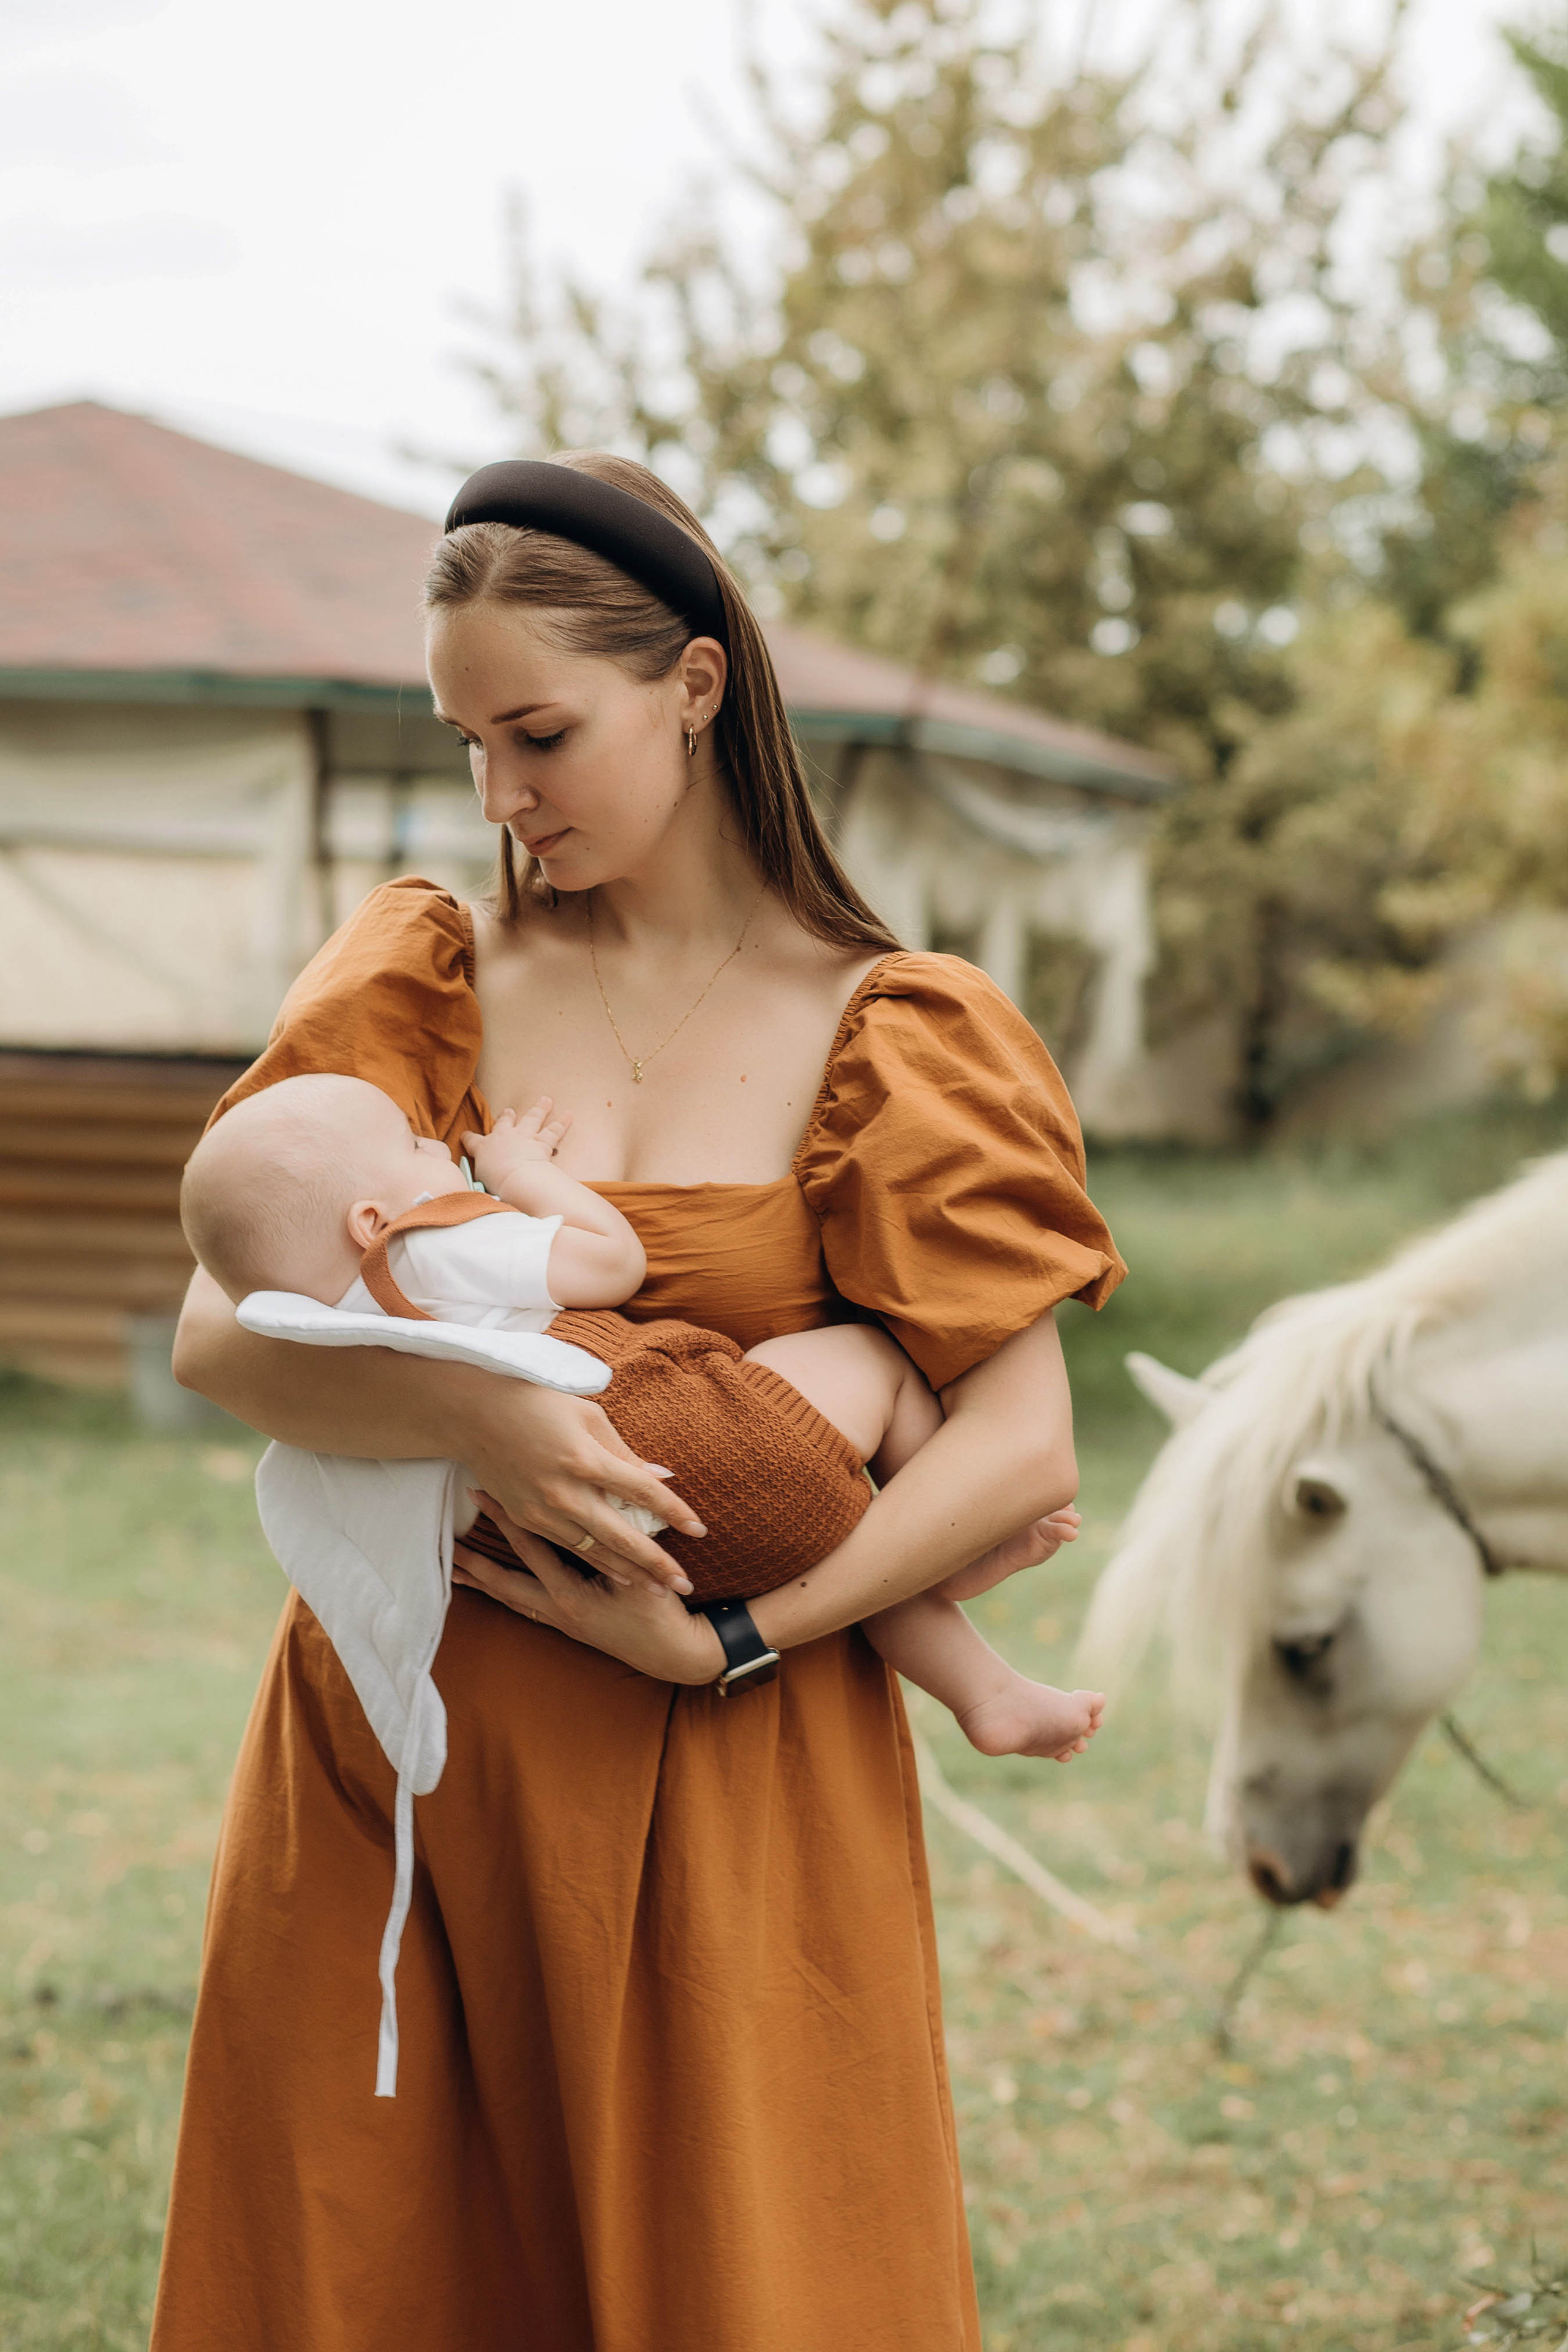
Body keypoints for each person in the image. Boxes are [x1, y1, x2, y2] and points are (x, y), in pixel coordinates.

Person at [151, 450, 1126, 2352]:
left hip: (735, 1789)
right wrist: (485, 1415)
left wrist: (734, 1643)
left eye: (541, 733)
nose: (503, 795)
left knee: (741, 2287)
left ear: (693, 686)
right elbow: (218, 1336)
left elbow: (1022, 1447)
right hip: (398, 1765)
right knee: (368, 2276)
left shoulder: (893, 1023)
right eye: (466, 744)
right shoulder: (427, 974)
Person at [179, 1067, 1104, 1761]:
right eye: (417, 1147)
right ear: (371, 1219)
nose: (442, 1151)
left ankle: (989, 1692)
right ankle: (954, 1549)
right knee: (874, 1361)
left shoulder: (319, 1334)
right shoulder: (433, 1245)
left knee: (791, 1527)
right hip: (678, 1445)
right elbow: (608, 1263)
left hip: (595, 1550)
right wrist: (523, 1174)